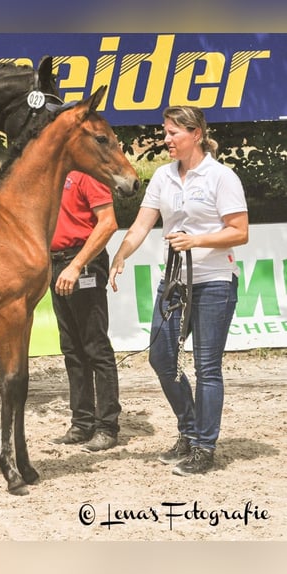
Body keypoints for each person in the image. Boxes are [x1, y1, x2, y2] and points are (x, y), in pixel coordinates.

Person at [108, 106, 248, 476]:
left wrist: (196, 239)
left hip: (215, 281)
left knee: (207, 368)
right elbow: (141, 225)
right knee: (162, 359)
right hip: (175, 281)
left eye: (173, 133)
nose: (166, 139)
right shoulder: (162, 177)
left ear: (195, 134)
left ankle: (205, 446)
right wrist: (121, 254)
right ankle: (189, 431)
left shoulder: (221, 177)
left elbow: (240, 232)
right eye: (165, 132)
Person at [50, 170, 122, 453]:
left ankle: (107, 426)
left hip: (82, 261)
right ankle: (82, 422)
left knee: (95, 347)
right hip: (56, 262)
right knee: (71, 348)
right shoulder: (54, 169)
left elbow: (108, 223)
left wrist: (77, 265)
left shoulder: (87, 174)